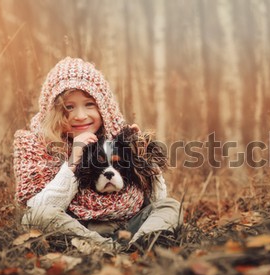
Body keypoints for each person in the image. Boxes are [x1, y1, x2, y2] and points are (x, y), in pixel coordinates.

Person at [13, 57, 181, 250]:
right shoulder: (34, 144)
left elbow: (155, 201)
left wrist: (144, 158)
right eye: (69, 107)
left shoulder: (119, 139)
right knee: (35, 217)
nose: (80, 116)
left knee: (170, 207)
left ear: (104, 107)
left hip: (130, 225)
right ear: (54, 111)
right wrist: (73, 159)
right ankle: (112, 249)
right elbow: (41, 207)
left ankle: (138, 244)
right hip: (79, 228)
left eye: (89, 104)